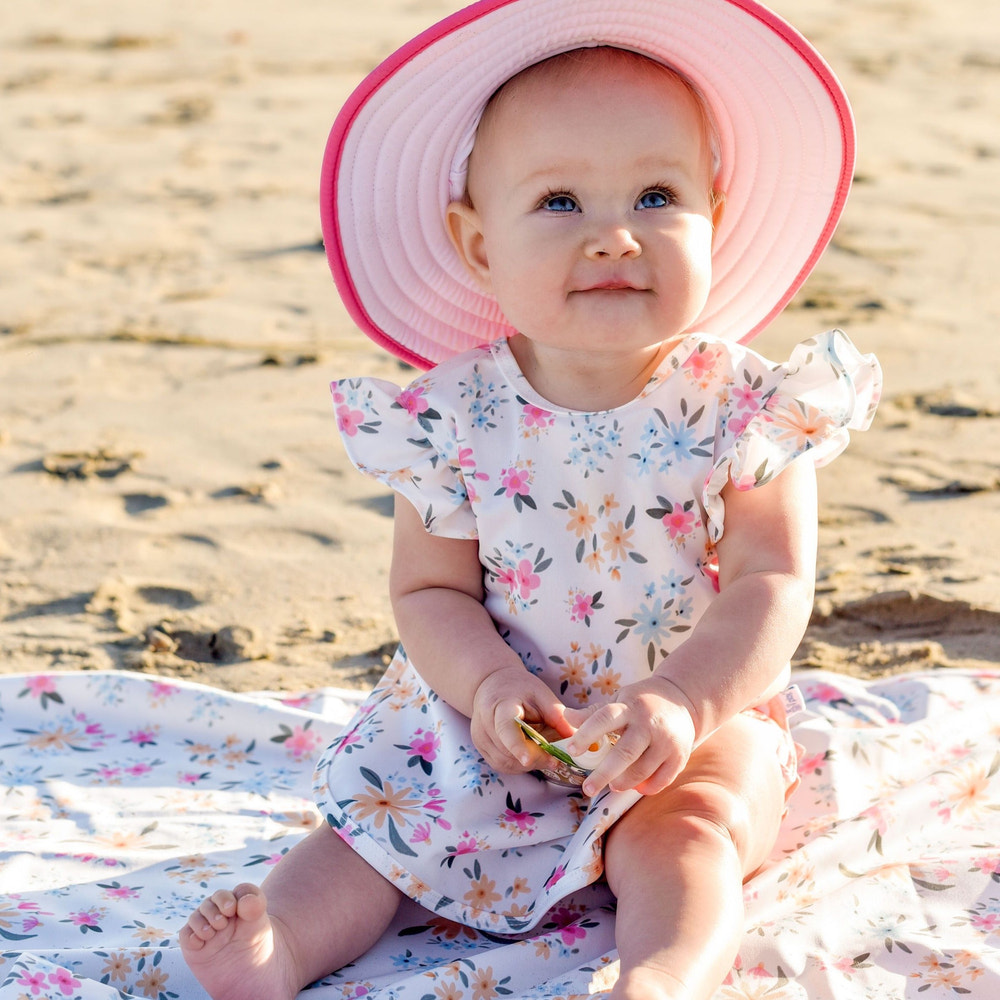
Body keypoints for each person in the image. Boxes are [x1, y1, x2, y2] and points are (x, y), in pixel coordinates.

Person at [180, 1, 881, 998]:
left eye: (654, 195)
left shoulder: (747, 405)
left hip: (681, 716)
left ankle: (663, 971)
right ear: (476, 245)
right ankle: (280, 947)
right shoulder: (451, 417)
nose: (613, 237)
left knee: (689, 833)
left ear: (713, 219)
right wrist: (485, 689)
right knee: (375, 829)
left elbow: (772, 580)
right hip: (501, 721)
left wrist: (686, 699)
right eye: (559, 201)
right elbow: (430, 594)